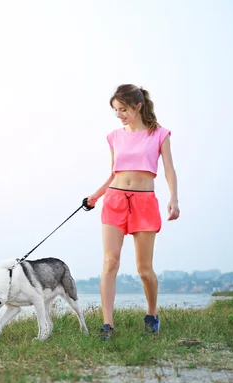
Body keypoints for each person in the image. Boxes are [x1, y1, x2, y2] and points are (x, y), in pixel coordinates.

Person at [86, 84, 180, 339]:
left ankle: (151, 315)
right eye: (116, 111)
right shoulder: (114, 137)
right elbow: (115, 173)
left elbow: (169, 170)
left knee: (144, 269)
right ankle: (108, 325)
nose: (119, 115)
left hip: (144, 202)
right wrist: (96, 195)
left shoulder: (159, 134)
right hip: (115, 199)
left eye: (123, 109)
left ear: (138, 106)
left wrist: (174, 199)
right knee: (110, 261)